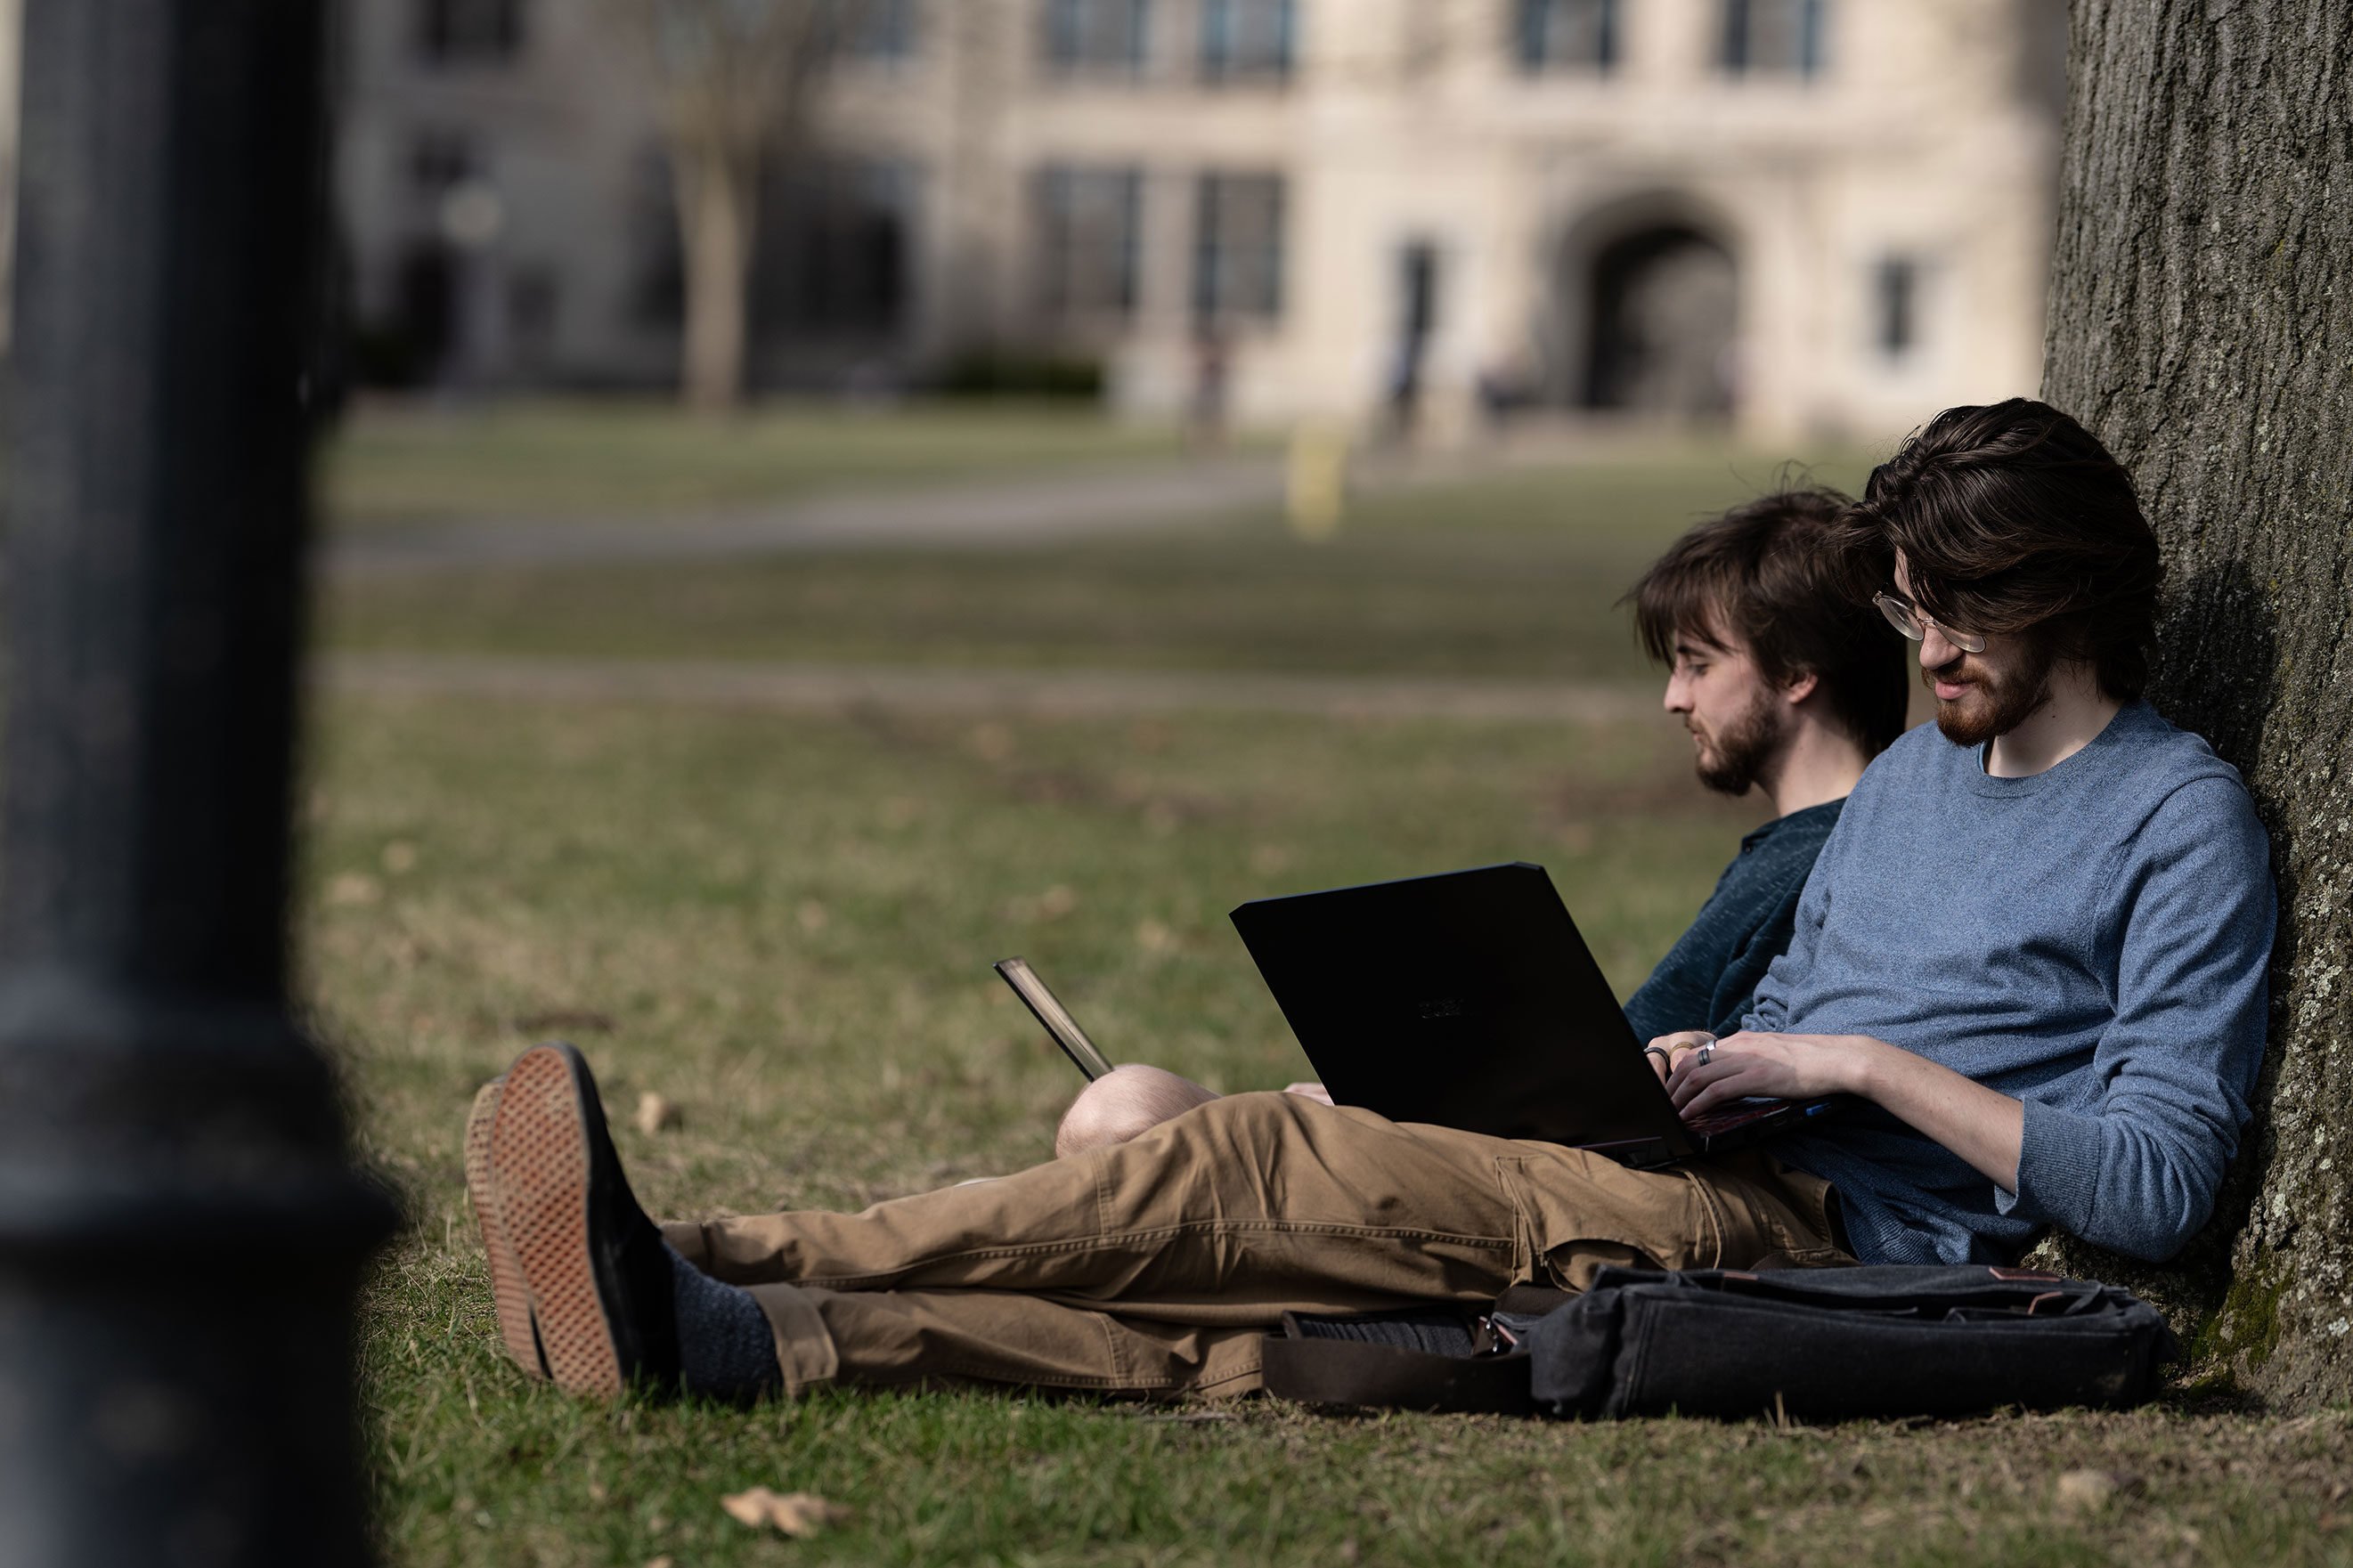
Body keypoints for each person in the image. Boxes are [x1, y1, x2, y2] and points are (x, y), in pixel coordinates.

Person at [467, 400, 2274, 1404]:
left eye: (1962, 613)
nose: (1929, 649)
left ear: (2073, 593)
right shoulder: (1906, 785)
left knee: (1246, 1168)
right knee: (1246, 1330)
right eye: (1907, 608)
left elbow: (2163, 1182)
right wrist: (1688, 1064)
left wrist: (1854, 1068)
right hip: (1693, 1164)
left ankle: (723, 1251)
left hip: (1840, 1250)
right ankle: (749, 1335)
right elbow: (1787, 1008)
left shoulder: (2175, 818)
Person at [1052, 486, 1909, 1158]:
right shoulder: (1819, 843)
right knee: (1129, 1115)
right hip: (1506, 1141)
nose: (1672, 696)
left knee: (1125, 1116)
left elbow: (1625, 1100)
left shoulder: (1840, 853)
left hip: (1539, 1171)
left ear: (1799, 673)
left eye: (1697, 663)